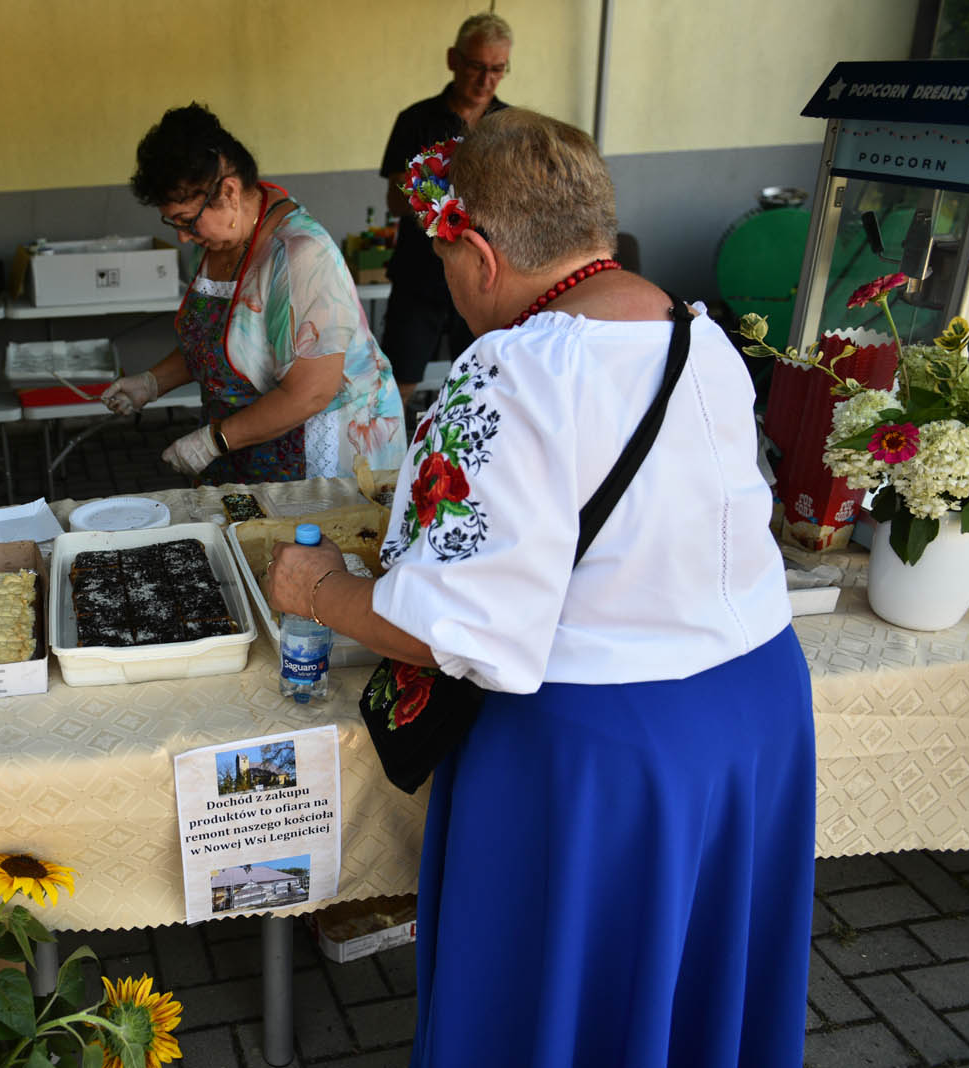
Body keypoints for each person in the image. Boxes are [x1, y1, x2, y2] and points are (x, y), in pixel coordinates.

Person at [269, 110, 814, 1067]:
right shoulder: (706, 339)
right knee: (688, 997)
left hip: (601, 757)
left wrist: (321, 588)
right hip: (757, 716)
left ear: (478, 254)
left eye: (446, 265)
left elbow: (457, 630)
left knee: (554, 1011)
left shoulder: (511, 370)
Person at [102, 103, 405, 484]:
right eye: (173, 222)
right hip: (248, 437)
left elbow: (311, 392)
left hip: (322, 445)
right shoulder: (216, 239)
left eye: (186, 221)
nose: (182, 236)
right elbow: (219, 340)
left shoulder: (300, 255)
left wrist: (213, 441)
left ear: (228, 192)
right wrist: (151, 382)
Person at [379, 12, 512, 407]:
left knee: (479, 387)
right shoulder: (416, 121)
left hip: (486, 280)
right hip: (420, 276)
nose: (486, 80)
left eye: (497, 69)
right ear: (453, 59)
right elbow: (393, 199)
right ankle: (387, 467)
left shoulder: (510, 126)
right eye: (476, 66)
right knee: (394, 387)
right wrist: (442, 186)